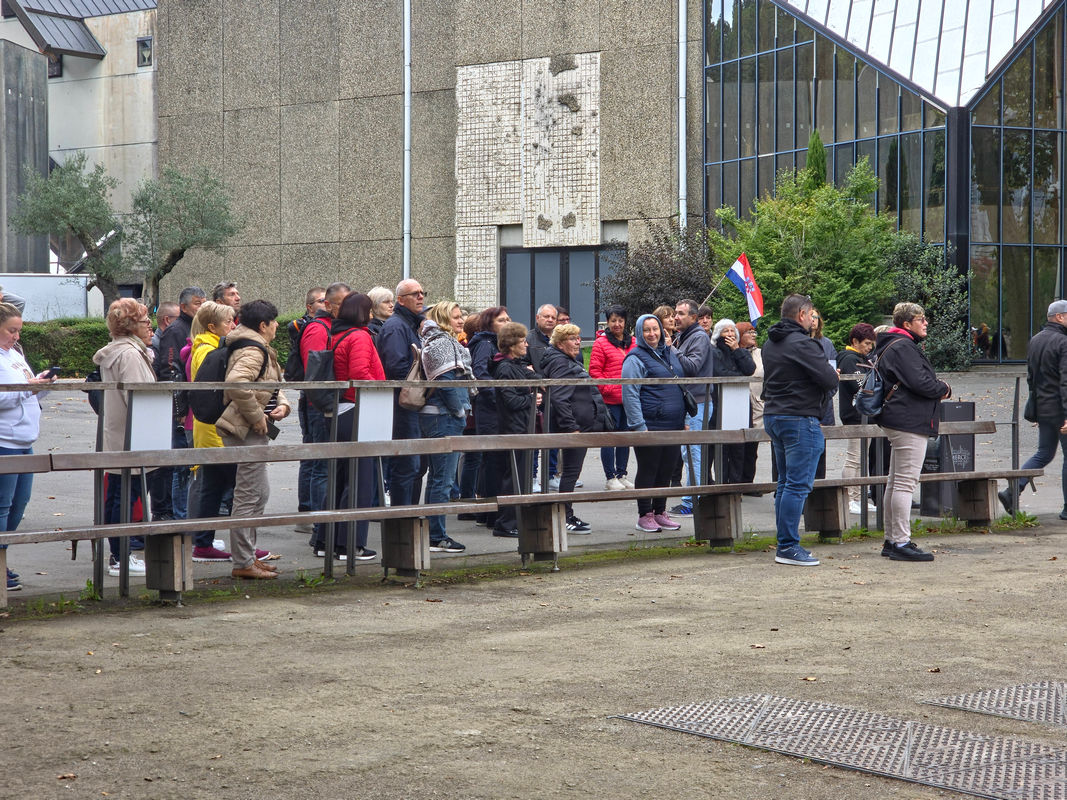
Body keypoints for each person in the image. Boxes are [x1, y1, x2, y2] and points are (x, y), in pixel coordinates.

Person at [761, 293, 840, 567]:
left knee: (785, 483)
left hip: (775, 415)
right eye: (811, 314)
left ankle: (785, 542)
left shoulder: (770, 343)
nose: (813, 319)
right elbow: (829, 379)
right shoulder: (804, 344)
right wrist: (831, 376)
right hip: (799, 417)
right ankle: (788, 546)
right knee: (796, 485)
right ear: (801, 315)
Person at [215, 300, 292, 579]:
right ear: (263, 325)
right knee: (249, 495)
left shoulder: (257, 346)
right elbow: (237, 383)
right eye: (274, 321)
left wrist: (282, 404)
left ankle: (249, 557)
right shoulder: (252, 348)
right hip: (245, 430)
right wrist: (258, 416)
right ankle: (243, 562)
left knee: (259, 493)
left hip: (251, 429)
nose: (277, 325)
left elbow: (272, 383)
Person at [872, 302, 950, 562]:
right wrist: (944, 388)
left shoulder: (894, 344)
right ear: (906, 324)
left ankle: (892, 540)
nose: (925, 323)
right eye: (921, 319)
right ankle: (901, 542)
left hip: (899, 418)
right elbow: (921, 383)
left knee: (895, 482)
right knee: (905, 483)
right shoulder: (903, 347)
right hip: (908, 420)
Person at [93, 298, 158, 577]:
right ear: (131, 326)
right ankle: (120, 556)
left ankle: (117, 555)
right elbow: (141, 397)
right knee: (125, 496)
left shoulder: (119, 351)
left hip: (120, 432)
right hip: (131, 435)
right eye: (145, 321)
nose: (150, 326)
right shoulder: (130, 354)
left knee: (119, 494)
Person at [0, 302, 56, 591]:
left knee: (18, 505)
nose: (16, 336)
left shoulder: (15, 356)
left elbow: (26, 394)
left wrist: (41, 385)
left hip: (24, 440)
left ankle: (3, 558)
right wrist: (28, 388)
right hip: (4, 441)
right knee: (2, 505)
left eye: (19, 331)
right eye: (12, 330)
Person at [327, 292, 384, 562]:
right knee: (360, 481)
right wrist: (382, 388)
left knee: (341, 480)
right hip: (358, 409)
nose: (372, 315)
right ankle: (352, 544)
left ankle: (331, 541)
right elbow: (359, 374)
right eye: (369, 310)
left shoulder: (338, 334)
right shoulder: (359, 336)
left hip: (343, 410)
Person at [539, 323, 607, 533]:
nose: (578, 342)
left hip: (579, 425)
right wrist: (572, 428)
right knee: (570, 472)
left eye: (578, 338)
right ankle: (565, 516)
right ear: (560, 343)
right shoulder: (561, 363)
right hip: (574, 428)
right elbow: (560, 398)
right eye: (572, 339)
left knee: (571, 472)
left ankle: (566, 514)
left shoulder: (566, 360)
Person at [1002, 300, 1067, 517]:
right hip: (1061, 409)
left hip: (1045, 408)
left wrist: (1038, 410)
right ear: (1059, 317)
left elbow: (1032, 378)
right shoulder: (1063, 342)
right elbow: (1065, 382)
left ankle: (1012, 490)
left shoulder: (1036, 340)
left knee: (1044, 453)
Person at [622, 314, 686, 532]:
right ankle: (645, 514)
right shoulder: (634, 358)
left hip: (673, 424)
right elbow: (630, 393)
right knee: (649, 469)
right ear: (640, 333)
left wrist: (685, 418)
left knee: (666, 470)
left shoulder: (669, 353)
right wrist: (639, 426)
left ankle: (660, 511)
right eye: (647, 330)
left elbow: (681, 385)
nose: (652, 334)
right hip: (650, 424)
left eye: (655, 329)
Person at [186, 301, 239, 563]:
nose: (233, 326)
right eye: (228, 322)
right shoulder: (209, 350)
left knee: (214, 486)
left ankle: (203, 542)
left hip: (208, 425)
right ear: (212, 326)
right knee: (234, 485)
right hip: (213, 426)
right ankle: (238, 545)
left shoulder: (205, 346)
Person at [151, 286, 206, 523]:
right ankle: (178, 515)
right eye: (197, 303)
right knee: (181, 465)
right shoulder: (176, 330)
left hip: (195, 408)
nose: (201, 307)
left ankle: (185, 513)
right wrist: (179, 409)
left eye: (203, 302)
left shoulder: (197, 327)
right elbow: (170, 370)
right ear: (183, 306)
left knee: (189, 464)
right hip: (180, 410)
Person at [417, 314, 472, 551]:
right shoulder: (442, 343)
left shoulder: (438, 341)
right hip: (443, 416)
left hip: (439, 415)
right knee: (443, 479)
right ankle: (436, 536)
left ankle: (434, 533)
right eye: (456, 317)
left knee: (438, 478)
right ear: (443, 319)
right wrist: (459, 412)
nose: (461, 321)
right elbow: (446, 382)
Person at [303, 282, 349, 554]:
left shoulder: (334, 327)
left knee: (327, 467)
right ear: (328, 305)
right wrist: (325, 404)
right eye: (342, 303)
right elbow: (315, 373)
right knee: (322, 467)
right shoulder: (318, 329)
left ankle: (324, 529)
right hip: (320, 406)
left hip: (328, 405)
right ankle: (320, 530)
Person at [377, 278, 427, 507]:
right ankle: (401, 516)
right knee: (407, 465)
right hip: (403, 404)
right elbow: (396, 368)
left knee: (414, 464)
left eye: (422, 292)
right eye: (414, 293)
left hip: (410, 403)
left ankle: (407, 513)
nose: (421, 297)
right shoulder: (396, 327)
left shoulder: (408, 324)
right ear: (401, 300)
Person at [489, 322, 539, 537]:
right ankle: (506, 523)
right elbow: (510, 401)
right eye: (522, 341)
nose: (526, 344)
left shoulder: (516, 365)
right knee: (513, 477)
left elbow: (535, 378)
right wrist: (532, 399)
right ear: (511, 345)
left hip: (521, 426)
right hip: (513, 428)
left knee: (520, 475)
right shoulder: (505, 368)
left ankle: (515, 520)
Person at [670, 299, 715, 515]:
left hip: (697, 403)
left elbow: (692, 367)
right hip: (689, 403)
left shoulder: (698, 337)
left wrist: (672, 349)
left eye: (681, 313)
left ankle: (691, 502)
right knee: (688, 452)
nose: (675, 317)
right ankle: (692, 499)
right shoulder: (684, 336)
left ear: (693, 317)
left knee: (693, 453)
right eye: (675, 313)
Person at [468, 306, 511, 528]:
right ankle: (492, 514)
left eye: (508, 319)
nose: (507, 322)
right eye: (501, 320)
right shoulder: (485, 343)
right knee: (493, 462)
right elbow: (480, 374)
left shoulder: (494, 342)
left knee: (491, 462)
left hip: (493, 409)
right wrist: (500, 397)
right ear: (489, 324)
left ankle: (486, 513)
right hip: (490, 411)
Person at [291, 286, 326, 534]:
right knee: (313, 457)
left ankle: (310, 511)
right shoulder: (312, 328)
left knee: (314, 456)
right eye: (322, 300)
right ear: (309, 307)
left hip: (314, 400)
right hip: (313, 401)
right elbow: (314, 368)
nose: (327, 304)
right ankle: (307, 512)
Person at [588, 305, 635, 490]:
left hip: (629, 399)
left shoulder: (633, 342)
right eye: (613, 320)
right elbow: (595, 372)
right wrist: (608, 389)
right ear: (607, 322)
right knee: (609, 439)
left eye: (620, 320)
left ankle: (622, 474)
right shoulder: (600, 343)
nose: (617, 324)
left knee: (625, 438)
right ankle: (610, 477)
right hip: (610, 400)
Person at [837, 323, 878, 514]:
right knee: (854, 458)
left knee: (861, 458)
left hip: (864, 415)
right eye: (867, 343)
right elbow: (859, 384)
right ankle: (849, 499)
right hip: (854, 415)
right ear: (855, 341)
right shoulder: (849, 359)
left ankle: (858, 497)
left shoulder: (861, 358)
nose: (869, 347)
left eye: (871, 344)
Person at [709, 318, 756, 483]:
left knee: (739, 447)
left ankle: (736, 485)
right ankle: (722, 484)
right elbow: (720, 373)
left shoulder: (741, 352)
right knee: (722, 448)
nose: (729, 334)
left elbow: (750, 369)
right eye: (725, 331)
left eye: (732, 331)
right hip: (720, 403)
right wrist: (740, 377)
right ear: (718, 334)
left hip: (740, 403)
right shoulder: (713, 352)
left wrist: (736, 350)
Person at [809, 307, 838, 479]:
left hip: (824, 402)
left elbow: (833, 372)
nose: (813, 319)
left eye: (816, 316)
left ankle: (820, 484)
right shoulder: (799, 342)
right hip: (805, 403)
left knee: (821, 447)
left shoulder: (827, 343)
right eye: (810, 316)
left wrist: (827, 395)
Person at [526, 303, 557, 371]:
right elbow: (522, 364)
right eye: (546, 316)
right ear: (537, 318)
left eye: (553, 318)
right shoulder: (527, 339)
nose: (550, 320)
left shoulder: (560, 340)